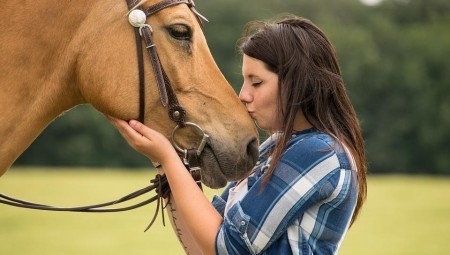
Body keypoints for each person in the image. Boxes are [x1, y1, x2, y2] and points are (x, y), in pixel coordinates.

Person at [109, 14, 367, 255]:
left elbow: (227, 248)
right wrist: (165, 161)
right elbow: (202, 246)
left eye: (256, 82)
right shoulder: (277, 147)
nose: (243, 95)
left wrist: (168, 158)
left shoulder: (320, 153)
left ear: (298, 83)